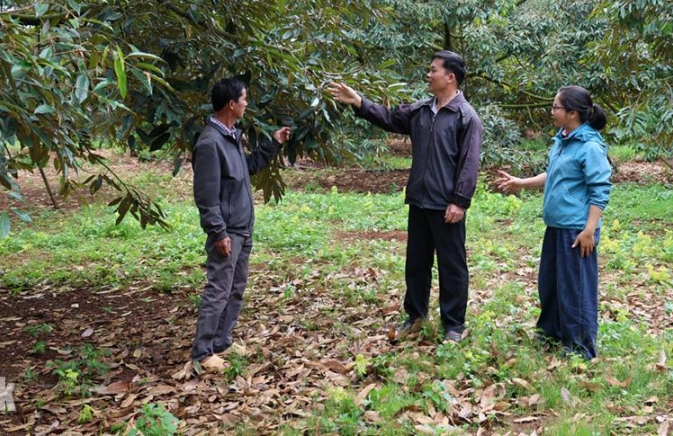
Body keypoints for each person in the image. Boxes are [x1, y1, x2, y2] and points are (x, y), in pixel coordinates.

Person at [326, 51, 483, 342]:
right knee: (416, 263)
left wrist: (460, 201)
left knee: (452, 265)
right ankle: (415, 316)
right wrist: (359, 101)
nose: (428, 74)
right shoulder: (422, 110)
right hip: (420, 200)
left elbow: (469, 162)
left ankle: (453, 325)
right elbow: (388, 118)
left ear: (450, 77)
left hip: (446, 204)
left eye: (433, 70)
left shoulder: (465, 116)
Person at [496, 85, 611, 359]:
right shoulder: (563, 139)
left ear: (572, 112)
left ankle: (580, 348)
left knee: (575, 289)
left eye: (556, 107)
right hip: (556, 226)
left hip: (576, 229)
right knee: (550, 285)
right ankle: (551, 336)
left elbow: (600, 189)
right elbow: (554, 174)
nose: (552, 112)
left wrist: (589, 230)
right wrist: (520, 183)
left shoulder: (590, 146)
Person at [191, 77, 291, 371]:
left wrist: (274, 143)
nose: (247, 104)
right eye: (244, 99)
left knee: (235, 287)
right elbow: (206, 196)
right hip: (228, 231)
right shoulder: (210, 142)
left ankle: (222, 341)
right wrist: (218, 231)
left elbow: (246, 169)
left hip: (242, 227)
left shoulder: (231, 136)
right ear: (232, 104)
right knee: (218, 289)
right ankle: (203, 351)